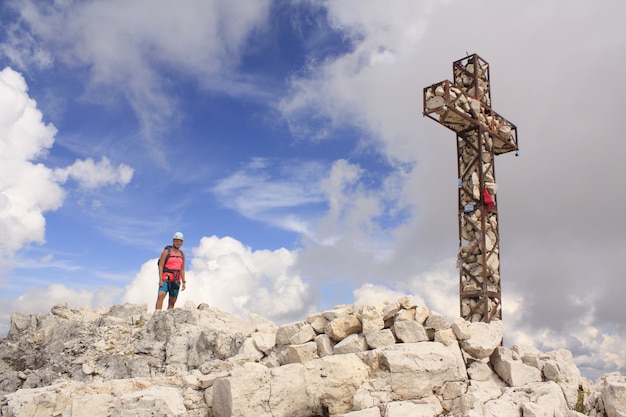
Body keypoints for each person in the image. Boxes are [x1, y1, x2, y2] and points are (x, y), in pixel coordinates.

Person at [155, 232, 186, 310]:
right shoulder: (166, 252)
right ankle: (157, 316)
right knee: (160, 295)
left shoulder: (182, 254)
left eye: (180, 241)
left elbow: (182, 269)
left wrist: (184, 282)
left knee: (172, 301)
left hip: (176, 279)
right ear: (173, 241)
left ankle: (168, 318)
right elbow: (161, 266)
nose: (178, 243)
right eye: (176, 241)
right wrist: (160, 279)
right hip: (166, 277)